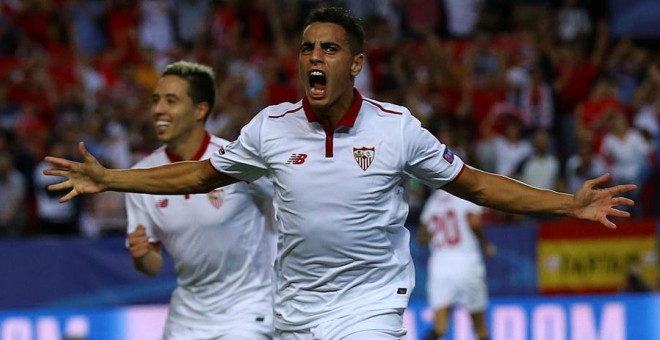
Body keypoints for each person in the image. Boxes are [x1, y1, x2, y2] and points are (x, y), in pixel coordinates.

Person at [44, 7, 636, 339]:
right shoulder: (270, 128)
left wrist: (567, 204)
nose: (314, 58)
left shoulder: (397, 128)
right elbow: (198, 175)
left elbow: (476, 184)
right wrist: (112, 178)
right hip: (294, 310)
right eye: (307, 49)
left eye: (328, 49)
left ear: (355, 64)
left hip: (370, 306)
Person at [125, 61, 276, 339]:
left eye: (171, 101)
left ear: (200, 110)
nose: (158, 109)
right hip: (187, 318)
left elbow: (287, 207)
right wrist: (142, 255)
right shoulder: (142, 177)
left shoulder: (236, 161)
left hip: (248, 309)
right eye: (156, 100)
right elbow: (152, 264)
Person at [417, 189, 495, 340]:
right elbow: (473, 221)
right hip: (467, 261)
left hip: (440, 266)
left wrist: (439, 235)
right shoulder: (465, 194)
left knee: (439, 328)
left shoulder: (433, 200)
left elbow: (421, 237)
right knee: (480, 328)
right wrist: (485, 243)